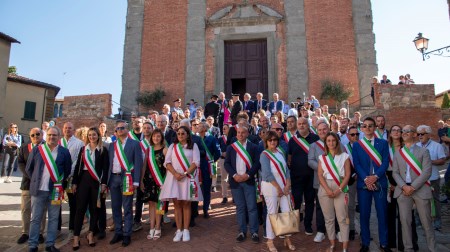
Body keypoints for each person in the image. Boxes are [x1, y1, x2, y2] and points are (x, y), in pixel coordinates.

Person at [26, 126, 72, 252]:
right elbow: (29, 169)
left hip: (55, 191)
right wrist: (36, 180)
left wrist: (59, 182)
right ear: (46, 136)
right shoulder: (37, 150)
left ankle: (50, 244)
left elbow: (67, 170)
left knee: (53, 218)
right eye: (49, 135)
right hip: (38, 191)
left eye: (54, 135)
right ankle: (32, 245)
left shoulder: (64, 152)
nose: (52, 137)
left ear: (59, 137)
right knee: (35, 218)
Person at [392, 125, 436, 252]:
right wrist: (404, 186)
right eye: (403, 131)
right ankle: (408, 249)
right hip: (403, 191)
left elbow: (427, 172)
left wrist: (413, 187)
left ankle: (432, 249)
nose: (404, 133)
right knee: (405, 223)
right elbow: (395, 172)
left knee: (426, 224)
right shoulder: (398, 153)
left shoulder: (423, 152)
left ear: (414, 135)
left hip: (420, 190)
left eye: (408, 131)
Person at [352, 117, 390, 252]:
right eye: (365, 126)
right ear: (362, 129)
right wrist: (367, 179)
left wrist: (375, 177)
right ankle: (366, 243)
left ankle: (384, 243)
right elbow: (356, 164)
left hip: (379, 181)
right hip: (364, 184)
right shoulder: (357, 145)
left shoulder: (383, 143)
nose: (367, 128)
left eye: (370, 126)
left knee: (382, 214)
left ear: (374, 128)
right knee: (364, 214)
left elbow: (386, 162)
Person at [159, 126, 202, 242]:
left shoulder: (194, 146)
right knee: (177, 204)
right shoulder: (173, 147)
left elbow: (196, 162)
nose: (180, 135)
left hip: (187, 177)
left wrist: (185, 173)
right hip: (174, 178)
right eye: (178, 133)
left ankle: (186, 230)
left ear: (188, 135)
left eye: (183, 133)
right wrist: (175, 174)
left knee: (187, 204)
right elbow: (167, 162)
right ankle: (179, 230)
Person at [72, 127, 109, 250]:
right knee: (80, 208)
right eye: (90, 135)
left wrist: (104, 183)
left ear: (98, 136)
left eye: (94, 135)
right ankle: (76, 236)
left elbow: (105, 168)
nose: (92, 137)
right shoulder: (83, 150)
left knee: (95, 209)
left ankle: (91, 233)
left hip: (96, 182)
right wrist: (74, 182)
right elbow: (78, 167)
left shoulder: (103, 150)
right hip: (83, 181)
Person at [108, 120, 143, 247]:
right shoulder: (112, 145)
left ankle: (127, 233)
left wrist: (136, 181)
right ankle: (118, 231)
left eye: (122, 128)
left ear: (127, 130)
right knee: (115, 207)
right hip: (113, 179)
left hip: (127, 179)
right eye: (118, 128)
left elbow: (138, 163)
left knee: (127, 207)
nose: (120, 130)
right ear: (115, 131)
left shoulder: (135, 144)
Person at [225, 125, 261, 243]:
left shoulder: (254, 147)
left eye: (243, 132)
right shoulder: (231, 147)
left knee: (252, 207)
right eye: (238, 132)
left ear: (247, 134)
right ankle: (242, 231)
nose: (240, 134)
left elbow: (257, 163)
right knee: (240, 208)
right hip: (236, 182)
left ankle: (254, 232)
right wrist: (235, 175)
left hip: (249, 180)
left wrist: (248, 175)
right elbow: (227, 164)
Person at [260, 131, 295, 252]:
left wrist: (287, 184)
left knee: (286, 213)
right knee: (272, 213)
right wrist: (279, 188)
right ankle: (270, 240)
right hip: (271, 187)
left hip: (284, 187)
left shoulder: (280, 152)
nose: (273, 142)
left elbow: (286, 170)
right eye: (270, 140)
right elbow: (267, 174)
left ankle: (287, 238)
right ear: (266, 142)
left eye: (275, 140)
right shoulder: (264, 155)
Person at [385, 125, 419, 251]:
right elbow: (383, 165)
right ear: (390, 133)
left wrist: (402, 185)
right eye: (393, 130)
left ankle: (408, 244)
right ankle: (391, 243)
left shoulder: (407, 148)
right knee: (390, 213)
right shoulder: (385, 147)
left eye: (399, 130)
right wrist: (390, 185)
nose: (396, 132)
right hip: (390, 181)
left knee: (407, 216)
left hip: (405, 182)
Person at [317, 132, 351, 252]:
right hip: (325, 187)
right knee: (329, 219)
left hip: (340, 187)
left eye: (333, 140)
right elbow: (320, 175)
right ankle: (332, 244)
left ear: (337, 142)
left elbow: (347, 175)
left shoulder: (345, 156)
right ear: (326, 143)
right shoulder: (322, 158)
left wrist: (339, 189)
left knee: (342, 218)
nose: (331, 143)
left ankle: (345, 247)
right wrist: (327, 189)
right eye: (328, 141)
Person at [289, 117, 319, 235]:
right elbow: (289, 158)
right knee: (296, 201)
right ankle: (295, 225)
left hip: (311, 176)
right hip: (296, 177)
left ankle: (308, 225)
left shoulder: (315, 139)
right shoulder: (292, 140)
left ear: (308, 125)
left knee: (310, 201)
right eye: (299, 124)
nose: (301, 126)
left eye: (304, 124)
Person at [17, 128, 46, 245]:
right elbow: (20, 162)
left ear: (42, 135)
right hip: (27, 183)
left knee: (41, 210)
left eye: (37, 134)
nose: (35, 136)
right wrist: (30, 176)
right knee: (25, 209)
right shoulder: (24, 147)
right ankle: (25, 232)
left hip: (41, 184)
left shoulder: (47, 147)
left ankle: (39, 233)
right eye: (32, 135)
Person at [416, 125, 446, 230]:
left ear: (428, 135)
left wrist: (429, 161)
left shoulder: (437, 146)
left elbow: (442, 160)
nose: (419, 136)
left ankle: (437, 220)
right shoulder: (416, 146)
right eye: (418, 134)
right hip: (419, 178)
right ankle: (419, 219)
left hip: (432, 177)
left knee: (434, 199)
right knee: (418, 199)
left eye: (422, 134)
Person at [140, 129, 168, 240]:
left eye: (158, 136)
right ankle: (151, 227)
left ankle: (158, 227)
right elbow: (144, 166)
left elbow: (168, 167)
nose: (156, 138)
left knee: (159, 205)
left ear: (161, 138)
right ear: (151, 138)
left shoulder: (165, 150)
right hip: (149, 181)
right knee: (151, 204)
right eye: (154, 136)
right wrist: (142, 179)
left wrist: (166, 182)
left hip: (161, 181)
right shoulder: (148, 150)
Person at [307, 120, 330, 243]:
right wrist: (323, 170)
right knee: (321, 207)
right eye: (319, 130)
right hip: (320, 180)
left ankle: (336, 230)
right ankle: (321, 231)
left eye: (324, 129)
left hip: (336, 181)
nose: (322, 132)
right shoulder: (314, 145)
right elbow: (310, 161)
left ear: (328, 129)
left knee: (336, 206)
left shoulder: (336, 143)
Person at [60, 122, 84, 232]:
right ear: (62, 129)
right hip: (59, 177)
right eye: (65, 128)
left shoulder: (79, 143)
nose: (67, 130)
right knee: (56, 202)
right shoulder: (58, 142)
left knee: (73, 203)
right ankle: (57, 227)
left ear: (74, 130)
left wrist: (69, 173)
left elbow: (78, 161)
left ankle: (72, 226)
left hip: (72, 177)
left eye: (70, 128)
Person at [197, 122, 221, 217]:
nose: (197, 128)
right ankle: (195, 210)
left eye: (199, 127)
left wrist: (211, 161)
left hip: (207, 168)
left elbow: (218, 153)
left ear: (204, 129)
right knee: (196, 188)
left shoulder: (212, 139)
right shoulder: (196, 139)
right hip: (197, 168)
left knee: (206, 189)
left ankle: (205, 209)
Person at [218, 124, 230, 204]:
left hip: (232, 160)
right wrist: (221, 153)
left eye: (225, 128)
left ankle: (235, 197)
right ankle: (225, 196)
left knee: (233, 178)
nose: (224, 130)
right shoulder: (220, 138)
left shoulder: (233, 138)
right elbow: (217, 148)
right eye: (223, 128)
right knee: (224, 178)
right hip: (222, 160)